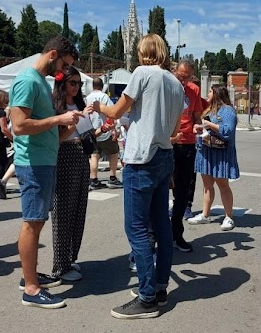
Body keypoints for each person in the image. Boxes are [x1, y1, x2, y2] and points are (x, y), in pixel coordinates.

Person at [93, 34, 183, 319]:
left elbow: (118, 109)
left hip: (142, 159)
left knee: (137, 228)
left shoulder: (142, 73)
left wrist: (98, 107)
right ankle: (158, 287)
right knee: (161, 225)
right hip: (164, 156)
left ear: (143, 52)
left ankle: (146, 297)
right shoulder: (175, 82)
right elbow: (171, 129)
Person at [9, 36, 82, 309]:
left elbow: (48, 132)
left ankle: (29, 275)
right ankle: (31, 289)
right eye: (64, 64)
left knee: (36, 221)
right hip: (33, 163)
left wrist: (69, 125)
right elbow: (19, 125)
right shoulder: (29, 80)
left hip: (43, 160)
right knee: (33, 222)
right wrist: (58, 119)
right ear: (53, 54)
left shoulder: (39, 81)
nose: (63, 72)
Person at [51, 66, 95, 281]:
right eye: (73, 83)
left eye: (79, 83)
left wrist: (100, 130)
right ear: (63, 84)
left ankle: (70, 258)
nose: (77, 87)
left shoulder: (79, 104)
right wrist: (73, 121)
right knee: (63, 212)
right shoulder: (56, 106)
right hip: (65, 156)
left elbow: (86, 133)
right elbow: (57, 138)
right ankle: (60, 266)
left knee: (79, 210)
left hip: (81, 156)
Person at [188, 85, 239, 231]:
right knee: (207, 185)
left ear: (217, 93)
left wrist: (209, 124)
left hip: (220, 153)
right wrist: (198, 128)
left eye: (210, 91)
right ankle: (205, 214)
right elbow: (205, 126)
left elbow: (228, 131)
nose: (208, 94)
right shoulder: (209, 109)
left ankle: (229, 217)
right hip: (207, 151)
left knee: (223, 185)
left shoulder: (228, 110)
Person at [170, 58, 203, 253]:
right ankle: (156, 236)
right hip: (169, 144)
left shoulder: (194, 90)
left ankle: (177, 233)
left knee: (183, 192)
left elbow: (197, 115)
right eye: (181, 76)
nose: (183, 80)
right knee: (161, 189)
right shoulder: (168, 86)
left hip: (188, 143)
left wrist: (198, 124)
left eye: (187, 77)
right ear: (175, 71)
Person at [86, 78, 123, 190]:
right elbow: (111, 113)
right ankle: (112, 177)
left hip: (93, 131)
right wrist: (114, 129)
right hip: (105, 130)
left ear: (92, 86)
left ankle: (94, 179)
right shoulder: (105, 97)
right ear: (102, 86)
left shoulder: (87, 98)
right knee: (113, 153)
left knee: (94, 155)